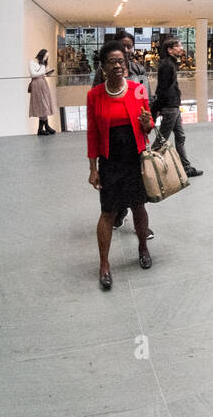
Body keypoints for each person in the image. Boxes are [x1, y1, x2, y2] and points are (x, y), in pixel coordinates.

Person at [87, 40, 155, 290]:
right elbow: (92, 133)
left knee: (139, 205)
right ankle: (104, 265)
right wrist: (93, 168)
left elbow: (147, 127)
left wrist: (148, 122)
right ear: (103, 67)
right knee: (108, 212)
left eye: (121, 61)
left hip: (134, 158)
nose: (118, 65)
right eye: (112, 62)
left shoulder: (137, 89)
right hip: (109, 161)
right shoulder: (95, 95)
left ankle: (143, 248)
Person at [152, 34, 203, 177]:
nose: (181, 48)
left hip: (173, 106)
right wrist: (159, 108)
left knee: (180, 136)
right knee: (161, 140)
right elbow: (163, 88)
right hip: (170, 107)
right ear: (170, 49)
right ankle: (149, 165)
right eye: (178, 46)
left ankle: (186, 167)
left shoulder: (170, 63)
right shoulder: (167, 65)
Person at [29, 49, 57, 135]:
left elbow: (44, 74)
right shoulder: (32, 62)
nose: (46, 59)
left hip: (43, 83)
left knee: (45, 105)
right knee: (43, 106)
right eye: (45, 56)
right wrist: (43, 71)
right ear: (41, 55)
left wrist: (49, 72)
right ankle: (46, 127)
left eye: (47, 57)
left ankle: (41, 129)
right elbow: (33, 74)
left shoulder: (43, 64)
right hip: (36, 84)